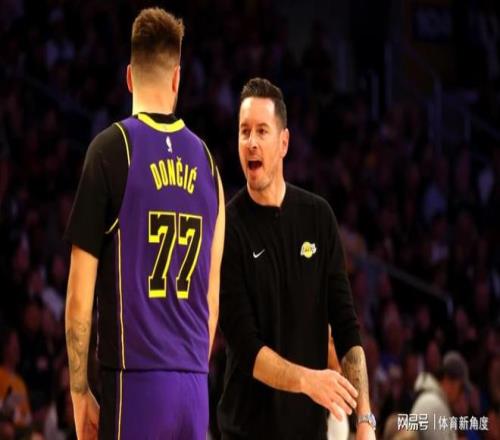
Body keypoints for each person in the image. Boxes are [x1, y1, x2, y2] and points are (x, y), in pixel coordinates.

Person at [64, 7, 224, 440]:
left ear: (129, 77)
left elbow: (79, 295)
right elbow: (211, 298)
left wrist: (79, 390)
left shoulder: (110, 150)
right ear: (177, 79)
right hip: (194, 388)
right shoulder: (209, 165)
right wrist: (189, 368)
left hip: (136, 384)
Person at [218, 77, 375, 439]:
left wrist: (365, 418)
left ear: (284, 142)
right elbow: (247, 348)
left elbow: (346, 325)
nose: (251, 142)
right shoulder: (227, 228)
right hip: (246, 432)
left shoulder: (318, 217)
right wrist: (308, 380)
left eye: (262, 131)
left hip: (308, 431)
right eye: (244, 131)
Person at [410, 351, 471, 440]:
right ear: (449, 381)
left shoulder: (432, 400)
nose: (460, 396)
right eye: (461, 388)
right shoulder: (434, 404)